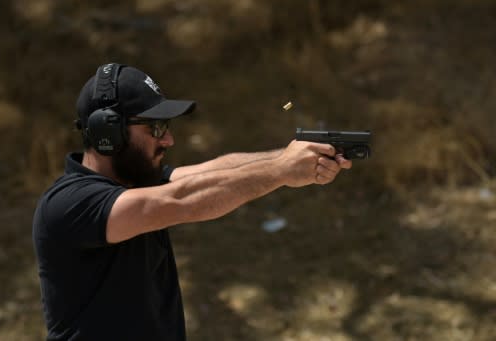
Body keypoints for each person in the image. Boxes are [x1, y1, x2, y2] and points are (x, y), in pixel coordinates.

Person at [32, 63, 352, 341]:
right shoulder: (69, 204)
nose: (168, 140)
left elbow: (214, 171)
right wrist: (281, 170)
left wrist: (294, 155)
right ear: (108, 133)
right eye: (156, 128)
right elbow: (182, 199)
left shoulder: (138, 183)